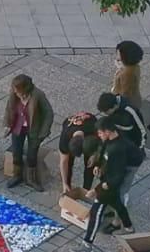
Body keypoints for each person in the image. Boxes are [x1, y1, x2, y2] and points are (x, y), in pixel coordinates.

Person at [80, 114, 136, 243]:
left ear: (108, 131)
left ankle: (87, 243)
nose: (99, 135)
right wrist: (98, 165)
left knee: (96, 212)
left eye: (100, 133)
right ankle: (128, 227)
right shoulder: (108, 141)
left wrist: (96, 190)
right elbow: (103, 153)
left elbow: (116, 175)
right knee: (117, 203)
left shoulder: (117, 150)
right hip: (107, 179)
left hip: (109, 184)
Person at [4, 74, 53, 190]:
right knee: (16, 151)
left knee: (32, 155)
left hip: (34, 128)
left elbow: (48, 113)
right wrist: (7, 124)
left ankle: (31, 179)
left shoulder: (38, 95)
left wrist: (44, 132)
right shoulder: (14, 94)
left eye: (17, 90)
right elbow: (9, 108)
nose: (15, 92)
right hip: (18, 126)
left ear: (24, 89)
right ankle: (17, 175)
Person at [96, 92, 145, 203]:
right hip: (117, 148)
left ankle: (121, 201)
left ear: (114, 107)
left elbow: (142, 131)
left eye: (107, 112)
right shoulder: (111, 112)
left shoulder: (129, 110)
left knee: (124, 182)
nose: (106, 115)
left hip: (131, 151)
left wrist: (140, 149)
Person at [58, 111, 100, 195]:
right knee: (68, 163)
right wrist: (64, 183)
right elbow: (63, 162)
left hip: (90, 134)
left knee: (90, 165)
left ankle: (85, 190)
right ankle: (67, 187)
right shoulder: (65, 138)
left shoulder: (92, 126)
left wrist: (94, 155)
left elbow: (100, 141)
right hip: (69, 127)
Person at [112, 40, 145, 115]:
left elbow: (125, 94)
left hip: (127, 106)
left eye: (118, 54)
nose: (116, 56)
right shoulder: (135, 66)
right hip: (135, 100)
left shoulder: (126, 74)